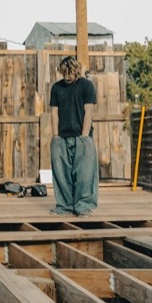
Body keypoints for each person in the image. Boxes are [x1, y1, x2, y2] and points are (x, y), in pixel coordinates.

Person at [48, 55, 98, 216]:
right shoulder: (56, 88)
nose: (67, 77)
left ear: (76, 71)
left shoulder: (86, 86)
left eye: (70, 73)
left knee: (85, 174)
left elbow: (88, 111)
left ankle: (83, 206)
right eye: (64, 73)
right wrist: (55, 136)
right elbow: (54, 112)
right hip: (61, 137)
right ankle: (64, 206)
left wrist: (84, 136)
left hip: (82, 137)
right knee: (61, 174)